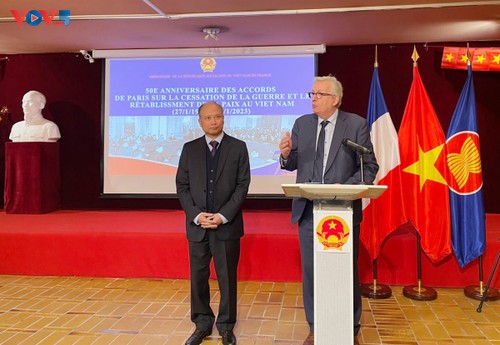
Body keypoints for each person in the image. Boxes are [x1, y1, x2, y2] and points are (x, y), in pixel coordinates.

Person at [279, 76, 378, 345]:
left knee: (347, 270)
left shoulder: (356, 124)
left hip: (343, 211)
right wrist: (286, 154)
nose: (313, 98)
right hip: (309, 211)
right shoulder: (302, 124)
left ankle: (350, 326)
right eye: (311, 93)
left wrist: (344, 189)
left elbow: (369, 167)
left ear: (335, 99)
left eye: (319, 94)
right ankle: (315, 326)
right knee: (311, 271)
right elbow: (292, 163)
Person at [176, 102, 250, 345]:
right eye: (208, 117)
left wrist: (222, 215)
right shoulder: (189, 149)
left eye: (217, 116)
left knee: (227, 276)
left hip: (226, 225)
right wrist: (197, 215)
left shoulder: (238, 148)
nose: (213, 121)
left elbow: (242, 186)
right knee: (198, 277)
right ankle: (202, 324)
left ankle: (227, 326)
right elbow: (182, 186)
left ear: (224, 118)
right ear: (200, 121)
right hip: (198, 226)